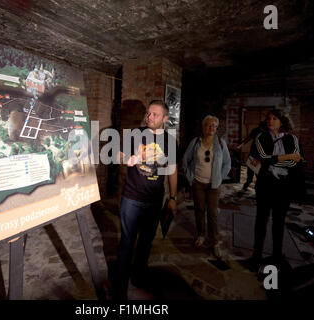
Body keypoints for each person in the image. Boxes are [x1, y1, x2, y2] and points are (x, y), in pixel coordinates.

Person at [114, 100, 177, 300]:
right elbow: (117, 156)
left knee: (145, 243)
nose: (149, 117)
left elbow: (172, 171)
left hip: (154, 200)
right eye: (148, 113)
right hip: (131, 198)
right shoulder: (135, 134)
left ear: (165, 119)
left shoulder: (170, 141)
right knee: (126, 243)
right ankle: (120, 288)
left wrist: (173, 197)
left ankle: (139, 276)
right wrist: (127, 159)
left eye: (155, 115)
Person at [250, 110, 305, 269]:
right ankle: (257, 254)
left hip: (283, 186)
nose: (270, 121)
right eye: (268, 118)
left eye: (275, 118)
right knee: (261, 220)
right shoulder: (261, 137)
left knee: (279, 222)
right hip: (265, 185)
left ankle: (276, 255)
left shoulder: (292, 138)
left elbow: (296, 163)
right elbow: (262, 159)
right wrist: (286, 157)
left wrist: (273, 162)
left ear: (282, 121)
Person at [182, 115, 231, 259]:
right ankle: (201, 235)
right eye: (208, 125)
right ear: (203, 128)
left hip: (214, 185)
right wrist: (191, 178)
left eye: (214, 126)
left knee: (213, 213)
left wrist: (220, 177)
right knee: (199, 210)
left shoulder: (221, 143)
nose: (211, 128)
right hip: (198, 182)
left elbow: (227, 163)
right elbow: (186, 160)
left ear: (216, 129)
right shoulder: (196, 142)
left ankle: (214, 242)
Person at [236, 121, 267, 190]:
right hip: (253, 153)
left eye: (263, 129)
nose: (261, 130)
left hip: (262, 156)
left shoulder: (268, 132)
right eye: (260, 128)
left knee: (259, 173)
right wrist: (240, 146)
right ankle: (247, 183)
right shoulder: (256, 131)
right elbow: (248, 139)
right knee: (250, 171)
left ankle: (258, 186)